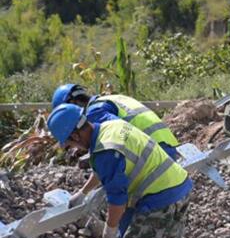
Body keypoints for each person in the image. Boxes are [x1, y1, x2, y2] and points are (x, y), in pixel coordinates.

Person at [47, 103, 192, 238]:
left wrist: (110, 231)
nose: (73, 148)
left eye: (69, 144)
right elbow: (106, 167)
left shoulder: (105, 150)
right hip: (180, 185)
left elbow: (117, 198)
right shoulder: (109, 127)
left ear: (76, 136)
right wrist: (83, 192)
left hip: (159, 198)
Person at [51, 84, 182, 207]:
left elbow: (114, 148)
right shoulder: (108, 99)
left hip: (152, 156)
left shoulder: (95, 112)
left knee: (125, 203)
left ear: (73, 104)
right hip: (167, 146)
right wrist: (84, 192)